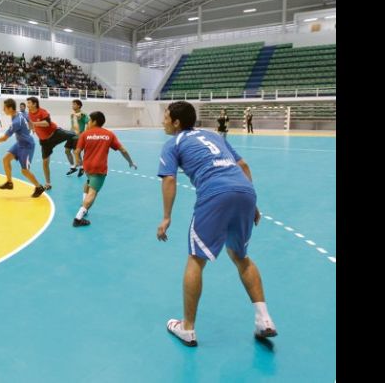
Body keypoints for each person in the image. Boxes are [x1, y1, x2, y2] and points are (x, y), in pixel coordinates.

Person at [156, 101, 276, 347]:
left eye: (166, 117)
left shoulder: (173, 143)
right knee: (241, 257)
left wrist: (166, 217)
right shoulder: (213, 135)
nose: (163, 121)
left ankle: (187, 328)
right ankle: (264, 319)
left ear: (176, 122)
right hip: (244, 191)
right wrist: (251, 204)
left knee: (195, 259)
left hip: (214, 195)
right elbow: (242, 165)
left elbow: (169, 179)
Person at [71, 111, 136, 227]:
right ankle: (78, 217)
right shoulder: (109, 135)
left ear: (95, 121)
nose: (88, 122)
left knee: (88, 183)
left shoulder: (85, 134)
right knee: (93, 192)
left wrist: (78, 160)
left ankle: (84, 205)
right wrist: (130, 162)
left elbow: (77, 151)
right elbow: (123, 150)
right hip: (99, 168)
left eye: (89, 120)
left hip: (87, 167)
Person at [0, 98, 45, 198]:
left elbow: (4, 138)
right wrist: (32, 128)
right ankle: (9, 183)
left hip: (27, 146)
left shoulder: (16, 122)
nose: (3, 110)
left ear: (10, 108)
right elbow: (29, 119)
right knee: (6, 159)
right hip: (19, 143)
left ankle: (39, 187)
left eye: (4, 108)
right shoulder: (19, 113)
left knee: (24, 171)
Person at [26, 97, 79, 188]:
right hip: (45, 141)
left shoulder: (42, 112)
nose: (27, 105)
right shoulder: (29, 114)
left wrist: (34, 124)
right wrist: (32, 128)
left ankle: (82, 160)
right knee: (45, 162)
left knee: (74, 134)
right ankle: (48, 183)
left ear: (34, 104)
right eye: (27, 103)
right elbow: (32, 125)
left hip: (56, 134)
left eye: (29, 103)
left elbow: (47, 123)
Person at [70, 99, 90, 177]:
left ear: (79, 105)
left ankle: (81, 167)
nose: (72, 106)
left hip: (78, 136)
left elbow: (88, 123)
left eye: (74, 104)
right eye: (72, 104)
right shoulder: (73, 114)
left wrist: (84, 133)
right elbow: (72, 125)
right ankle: (74, 166)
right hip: (71, 135)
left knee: (76, 152)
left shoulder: (83, 114)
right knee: (67, 150)